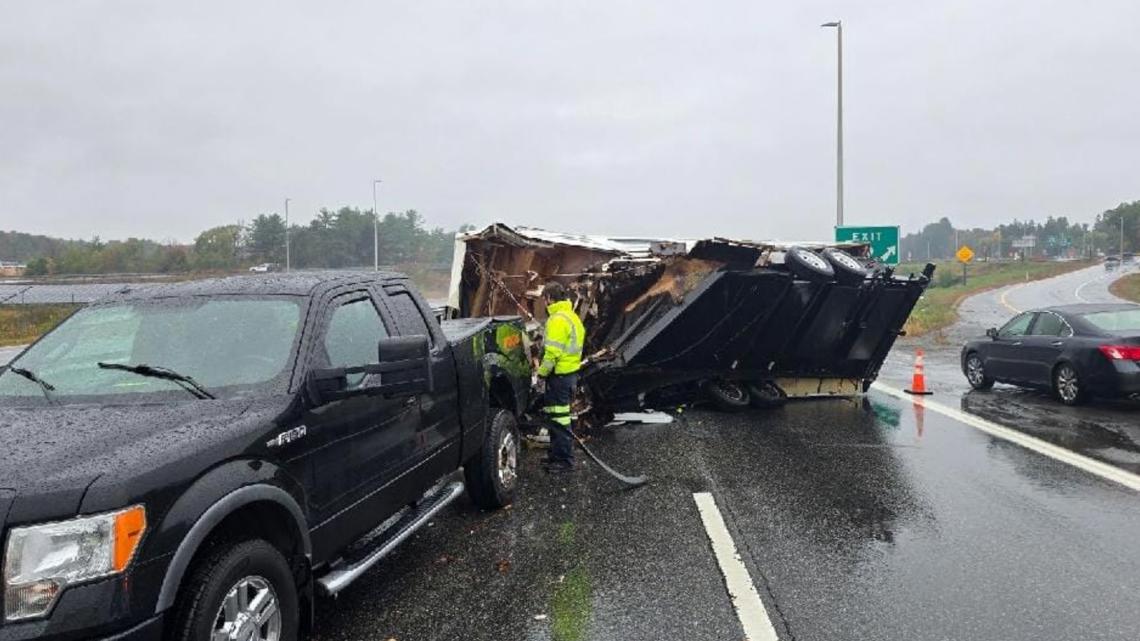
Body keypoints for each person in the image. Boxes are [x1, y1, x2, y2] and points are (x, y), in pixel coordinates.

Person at [536, 281, 586, 474]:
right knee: (557, 418)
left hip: (558, 377)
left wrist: (541, 374)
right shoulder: (572, 316)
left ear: (549, 298)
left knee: (559, 420)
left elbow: (552, 354)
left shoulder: (557, 319)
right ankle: (556, 455)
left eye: (544, 299)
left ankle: (564, 462)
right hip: (569, 375)